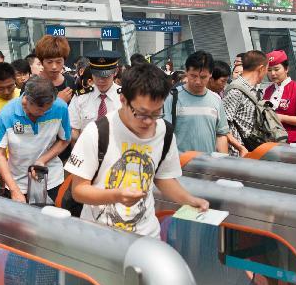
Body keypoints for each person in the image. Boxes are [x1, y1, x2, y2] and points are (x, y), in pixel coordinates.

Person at [66, 62, 209, 236]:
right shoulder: (98, 132)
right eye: (141, 113)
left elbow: (163, 178)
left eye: (156, 113)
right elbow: (79, 191)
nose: (149, 121)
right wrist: (116, 196)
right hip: (100, 236)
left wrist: (189, 200)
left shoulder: (164, 132)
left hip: (146, 235)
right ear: (123, 100)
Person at [0, 77, 71, 203]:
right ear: (26, 101)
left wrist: (42, 160)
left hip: (51, 180)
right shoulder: (7, 113)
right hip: (17, 183)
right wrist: (14, 190)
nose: (45, 113)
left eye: (48, 109)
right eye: (40, 110)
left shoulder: (59, 107)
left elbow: (65, 140)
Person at [163, 51, 229, 154]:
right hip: (179, 165)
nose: (198, 81)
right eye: (193, 76)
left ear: (210, 74)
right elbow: (163, 133)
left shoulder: (216, 100)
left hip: (208, 166)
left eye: (203, 77)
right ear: (186, 71)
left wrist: (222, 164)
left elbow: (221, 135)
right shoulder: (172, 98)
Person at [69, 51, 121, 143]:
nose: (101, 80)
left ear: (115, 71)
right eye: (96, 75)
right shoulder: (80, 97)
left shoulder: (125, 97)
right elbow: (74, 132)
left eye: (106, 76)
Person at [222, 50, 267, 156]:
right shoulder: (235, 90)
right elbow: (222, 126)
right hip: (239, 155)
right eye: (266, 69)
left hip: (252, 152)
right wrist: (240, 148)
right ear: (261, 69)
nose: (266, 73)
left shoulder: (253, 90)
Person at [263, 50, 296, 143]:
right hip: (270, 143)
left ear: (286, 69)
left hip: (292, 142)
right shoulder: (266, 91)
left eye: (276, 69)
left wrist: (280, 117)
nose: (272, 73)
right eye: (269, 70)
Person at [34, 35, 75, 103]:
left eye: (58, 62)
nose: (54, 67)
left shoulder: (70, 81)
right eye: (49, 62)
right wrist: (58, 102)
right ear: (41, 62)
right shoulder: (32, 84)